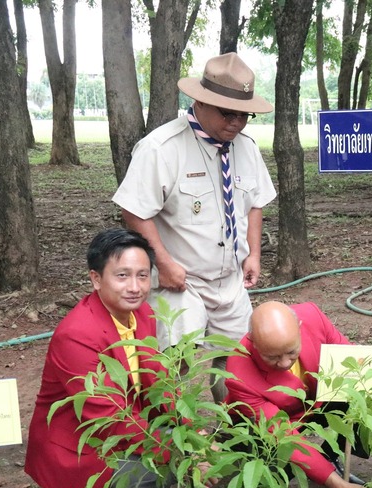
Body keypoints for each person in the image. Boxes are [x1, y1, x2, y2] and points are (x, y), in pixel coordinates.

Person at [113, 52, 276, 401]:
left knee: (238, 363)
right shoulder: (162, 148)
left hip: (230, 280)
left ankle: (233, 426)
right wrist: (163, 263)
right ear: (200, 101)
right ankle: (170, 427)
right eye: (227, 112)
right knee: (176, 362)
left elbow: (255, 202)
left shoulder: (246, 148)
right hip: (181, 279)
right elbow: (134, 210)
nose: (236, 122)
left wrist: (253, 254)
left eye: (243, 114)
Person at [25, 228, 171, 488]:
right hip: (83, 438)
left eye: (142, 275)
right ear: (95, 279)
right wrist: (176, 450)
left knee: (175, 443)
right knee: (159, 468)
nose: (135, 287)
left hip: (120, 418)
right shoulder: (78, 334)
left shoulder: (142, 314)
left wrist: (187, 429)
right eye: (122, 276)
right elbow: (106, 417)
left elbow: (155, 378)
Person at [224, 301, 372, 488]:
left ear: (300, 327)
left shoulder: (313, 316)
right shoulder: (238, 371)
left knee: (365, 397)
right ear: (253, 342)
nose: (285, 363)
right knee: (269, 483)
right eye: (272, 357)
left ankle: (328, 457)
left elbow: (349, 360)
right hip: (265, 426)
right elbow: (285, 436)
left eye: (291, 352)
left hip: (313, 403)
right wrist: (341, 487)